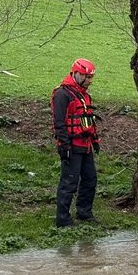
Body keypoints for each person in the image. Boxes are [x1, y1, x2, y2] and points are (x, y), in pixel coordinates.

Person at [51, 58, 101, 227]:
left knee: (90, 180)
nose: (89, 81)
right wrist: (64, 146)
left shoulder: (84, 95)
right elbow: (59, 123)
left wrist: (95, 141)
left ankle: (84, 213)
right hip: (71, 146)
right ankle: (63, 219)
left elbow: (87, 121)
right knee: (69, 182)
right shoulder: (62, 94)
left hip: (85, 145)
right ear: (77, 73)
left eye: (91, 78)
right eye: (87, 77)